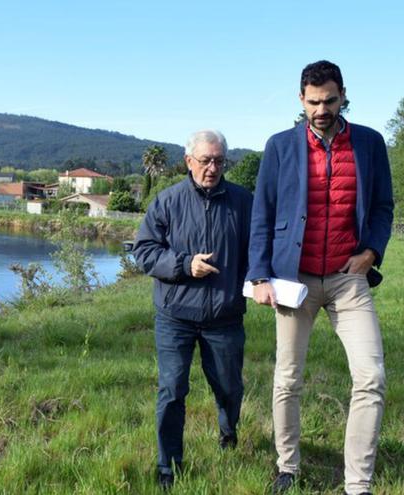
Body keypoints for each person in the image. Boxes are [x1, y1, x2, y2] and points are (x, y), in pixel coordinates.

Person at [247, 60, 394, 495]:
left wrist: (371, 251)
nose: (321, 109)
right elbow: (263, 213)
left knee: (371, 378)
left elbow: (384, 205)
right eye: (313, 102)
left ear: (343, 94)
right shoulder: (279, 146)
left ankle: (358, 484)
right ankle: (287, 467)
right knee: (287, 378)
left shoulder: (370, 143)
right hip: (295, 279)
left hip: (349, 278)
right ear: (300, 100)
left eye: (329, 100)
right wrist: (258, 275)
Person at [132, 130, 253, 490]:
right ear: (189, 161)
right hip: (175, 316)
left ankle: (228, 432)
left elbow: (259, 251)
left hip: (225, 316)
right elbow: (144, 252)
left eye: (219, 160)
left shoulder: (244, 202)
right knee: (171, 390)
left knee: (229, 388)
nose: (212, 168)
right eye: (205, 160)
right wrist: (185, 265)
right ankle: (168, 465)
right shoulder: (166, 202)